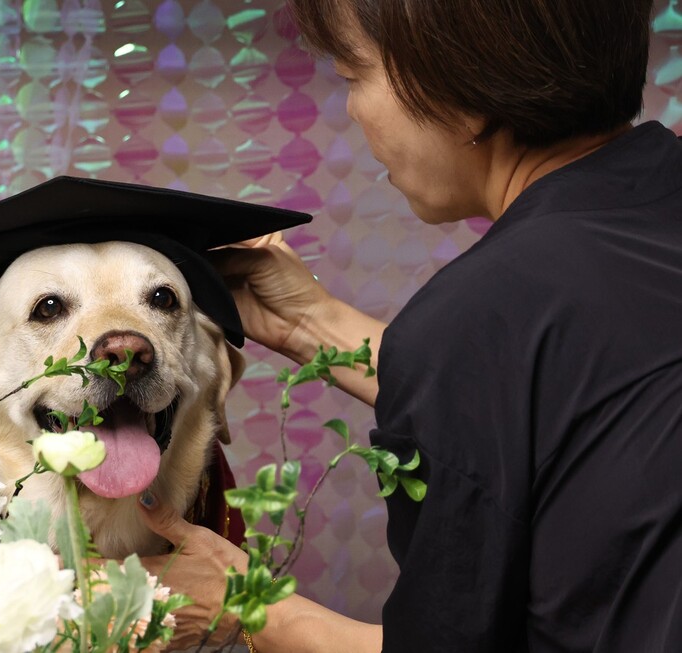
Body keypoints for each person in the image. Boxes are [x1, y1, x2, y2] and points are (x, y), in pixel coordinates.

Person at [135, 0, 682, 651]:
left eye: (353, 76)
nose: (354, 110)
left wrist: (253, 607)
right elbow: (576, 392)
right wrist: (312, 323)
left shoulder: (476, 316)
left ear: (464, 89)